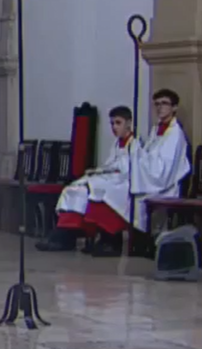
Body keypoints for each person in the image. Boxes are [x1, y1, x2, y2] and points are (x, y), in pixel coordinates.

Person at [35, 90, 191, 257]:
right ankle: (70, 234)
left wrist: (137, 161)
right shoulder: (156, 131)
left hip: (160, 185)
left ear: (174, 108)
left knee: (106, 190)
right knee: (86, 185)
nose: (160, 108)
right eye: (157, 104)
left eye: (164, 103)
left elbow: (162, 170)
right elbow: (138, 160)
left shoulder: (175, 134)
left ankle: (109, 238)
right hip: (143, 178)